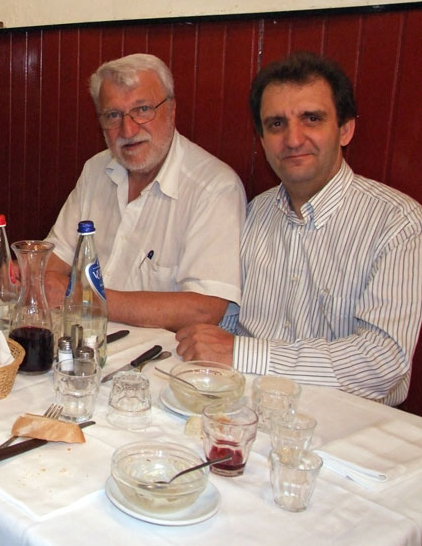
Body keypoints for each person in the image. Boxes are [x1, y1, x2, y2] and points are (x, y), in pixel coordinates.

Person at [176, 52, 422, 406]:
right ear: (261, 139)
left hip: (348, 425)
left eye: (311, 118)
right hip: (242, 407)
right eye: (276, 124)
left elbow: (381, 364)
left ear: (346, 129)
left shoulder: (397, 222)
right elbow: (230, 322)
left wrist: (246, 354)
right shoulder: (255, 212)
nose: (293, 139)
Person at [44, 54, 246, 331]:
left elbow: (204, 308)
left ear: (172, 110)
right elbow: (54, 261)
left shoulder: (214, 187)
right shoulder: (96, 170)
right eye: (113, 115)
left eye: (142, 110)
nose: (128, 129)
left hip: (164, 362)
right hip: (87, 345)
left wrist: (86, 298)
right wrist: (51, 280)